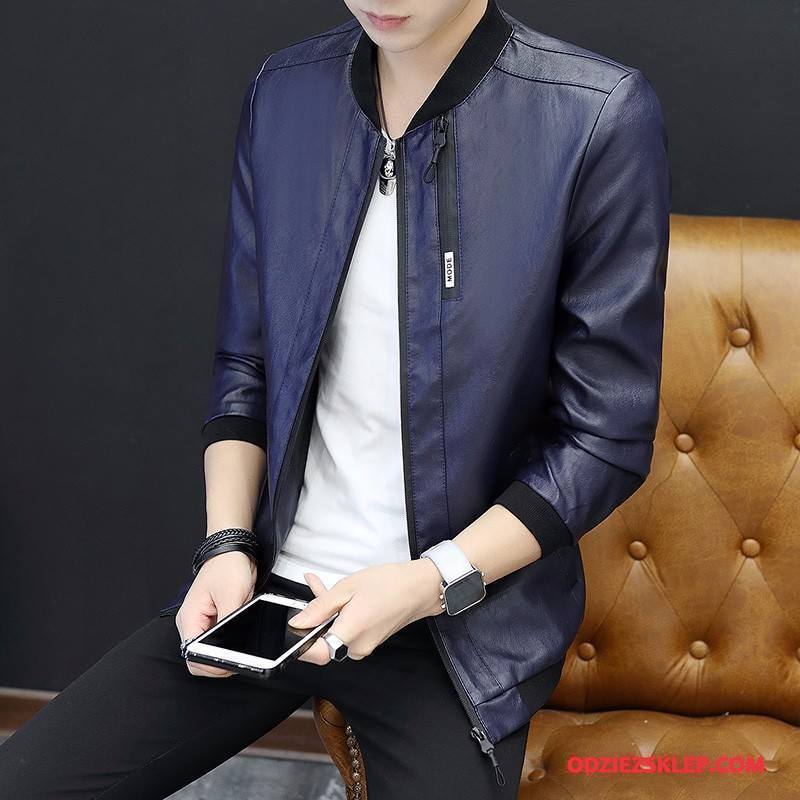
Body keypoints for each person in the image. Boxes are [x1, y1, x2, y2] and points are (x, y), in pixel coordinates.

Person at [0, 0, 670, 797]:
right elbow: (246, 363)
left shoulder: (592, 114)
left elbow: (604, 437)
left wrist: (429, 581)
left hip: (452, 622)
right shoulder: (287, 92)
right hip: (270, 590)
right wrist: (225, 545)